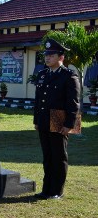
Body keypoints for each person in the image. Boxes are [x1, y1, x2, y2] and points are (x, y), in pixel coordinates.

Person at [33, 38, 79, 200]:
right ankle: (46, 189)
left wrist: (69, 125)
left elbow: (73, 103)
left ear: (61, 57)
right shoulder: (43, 74)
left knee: (58, 157)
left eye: (51, 55)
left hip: (59, 120)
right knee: (47, 156)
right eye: (46, 55)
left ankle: (57, 190)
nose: (47, 58)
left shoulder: (68, 76)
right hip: (44, 120)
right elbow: (38, 100)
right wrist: (36, 120)